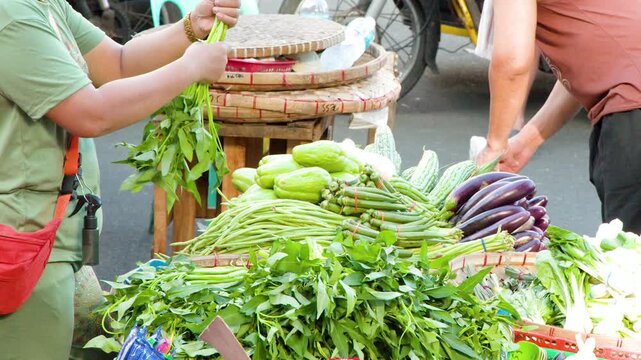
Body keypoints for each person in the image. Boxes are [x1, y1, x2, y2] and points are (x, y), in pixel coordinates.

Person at [0, 0, 240, 358]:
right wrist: (189, 69)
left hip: (51, 233)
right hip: (22, 240)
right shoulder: (10, 16)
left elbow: (118, 63)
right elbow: (91, 113)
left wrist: (190, 27)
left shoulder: (43, 5)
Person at [474, 0, 641, 233]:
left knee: (631, 256)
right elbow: (591, 58)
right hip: (630, 96)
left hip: (632, 110)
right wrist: (527, 141)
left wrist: (494, 145)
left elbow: (512, 61)